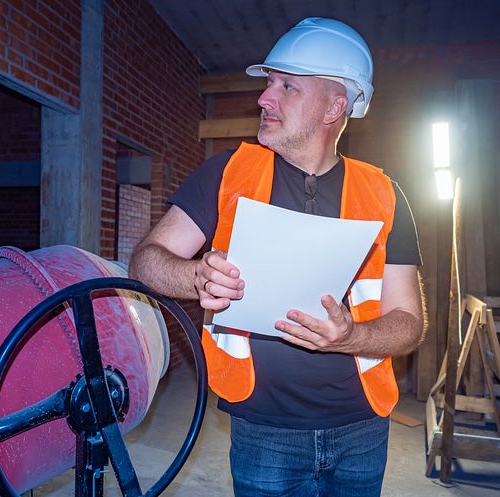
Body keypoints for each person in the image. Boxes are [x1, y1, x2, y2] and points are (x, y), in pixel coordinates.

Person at [129, 17, 424, 497]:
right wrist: (194, 276)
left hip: (363, 428)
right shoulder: (227, 174)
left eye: (288, 86)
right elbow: (145, 261)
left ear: (335, 105)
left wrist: (352, 336)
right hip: (262, 430)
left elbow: (409, 322)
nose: (265, 98)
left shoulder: (385, 195)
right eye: (269, 83)